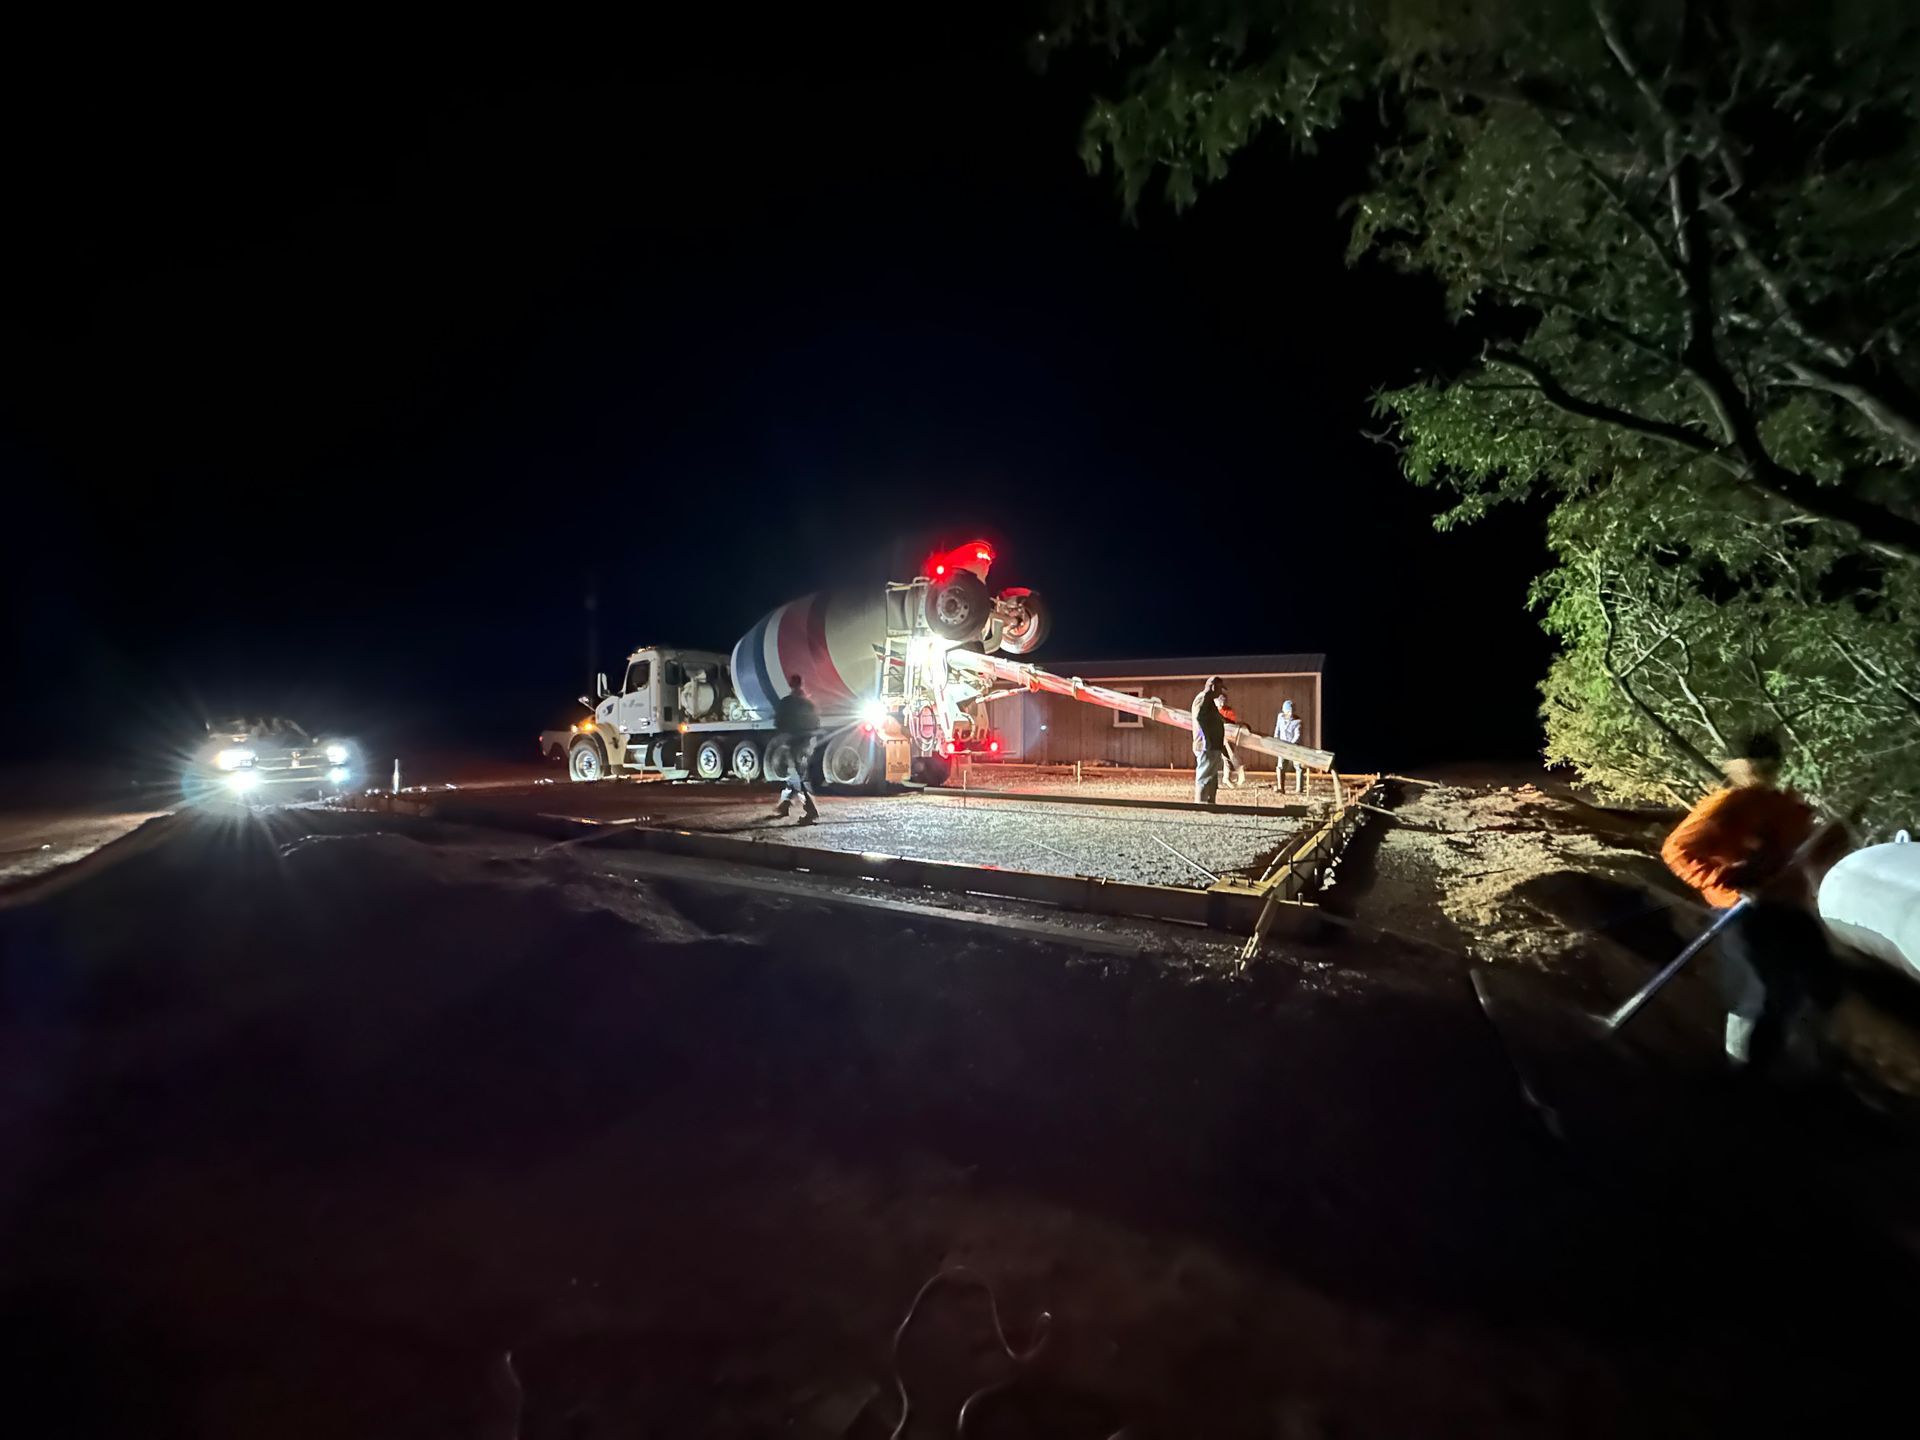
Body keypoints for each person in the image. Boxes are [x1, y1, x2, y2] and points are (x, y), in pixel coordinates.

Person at [1660, 732, 1845, 1077]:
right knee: (1766, 992)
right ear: (1736, 766)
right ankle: (1743, 1070)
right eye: (1755, 763)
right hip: (1744, 909)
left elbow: (1809, 857)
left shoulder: (1789, 806)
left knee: (1825, 982)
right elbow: (1677, 851)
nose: (1764, 770)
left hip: (1787, 907)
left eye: (1769, 762)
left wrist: (1835, 837)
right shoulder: (1727, 805)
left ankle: (1808, 1060)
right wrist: (1727, 883)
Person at [770, 674, 820, 825]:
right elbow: (816, 723)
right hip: (807, 743)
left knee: (798, 777)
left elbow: (778, 722)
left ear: (790, 684)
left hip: (793, 742)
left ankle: (811, 811)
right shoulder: (809, 703)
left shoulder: (787, 702)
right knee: (796, 775)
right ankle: (784, 805)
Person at [1190, 676, 1228, 805]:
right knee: (1204, 776)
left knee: (1212, 777)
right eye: (1219, 689)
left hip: (1214, 745)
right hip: (1206, 745)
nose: (1220, 693)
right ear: (1212, 687)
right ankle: (1200, 803)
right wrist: (1207, 740)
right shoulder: (1203, 699)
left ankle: (1211, 803)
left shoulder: (1209, 700)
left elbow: (1213, 719)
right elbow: (1199, 719)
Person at [1272, 700, 1306, 794]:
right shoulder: (1280, 717)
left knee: (1298, 767)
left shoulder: (1297, 722)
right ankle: (1281, 788)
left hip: (1294, 747)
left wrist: (1291, 745)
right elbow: (1277, 729)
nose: (1290, 713)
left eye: (1291, 711)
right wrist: (1276, 740)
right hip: (1282, 746)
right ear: (1284, 711)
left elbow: (1297, 736)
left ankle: (1299, 789)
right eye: (1288, 711)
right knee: (1280, 766)